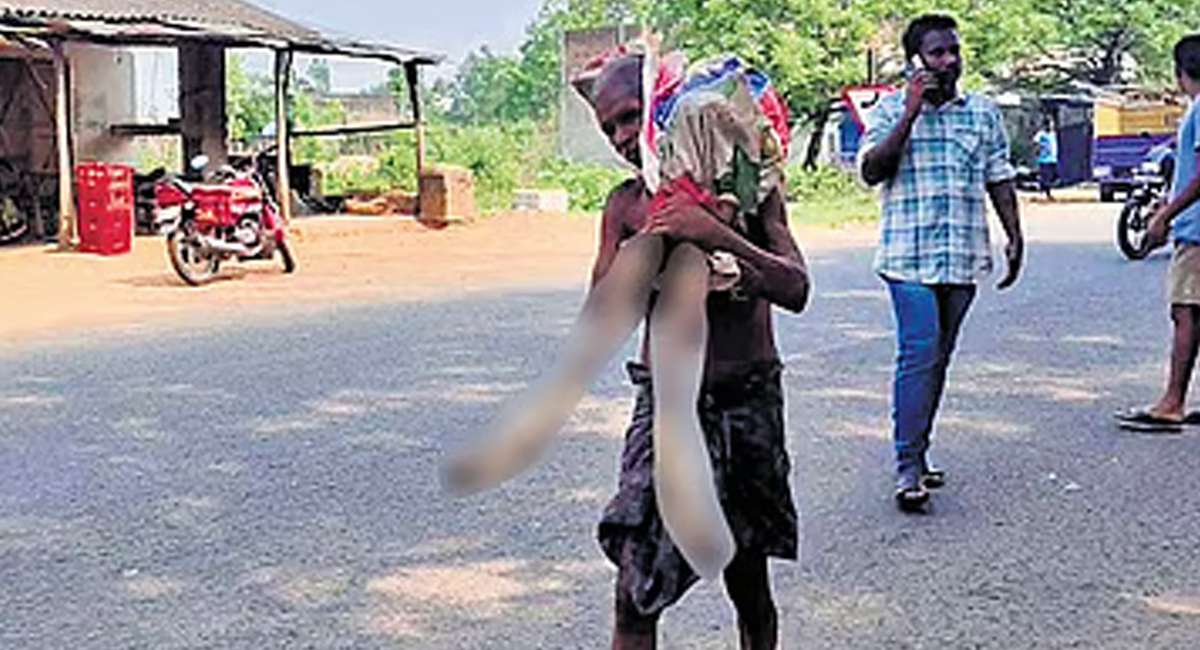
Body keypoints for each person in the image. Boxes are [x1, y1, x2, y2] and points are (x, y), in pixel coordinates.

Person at [449, 46, 810, 649]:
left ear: (667, 110)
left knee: (749, 577)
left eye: (630, 116)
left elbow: (795, 288)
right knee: (635, 590)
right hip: (667, 408)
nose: (620, 134)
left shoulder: (752, 192)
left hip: (748, 402)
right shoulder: (627, 206)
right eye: (609, 124)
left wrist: (716, 233)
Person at [859, 13, 1024, 512]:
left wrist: (1015, 235)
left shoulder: (981, 112)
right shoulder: (890, 110)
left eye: (953, 50)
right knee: (919, 351)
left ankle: (919, 449)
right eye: (936, 52)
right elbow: (870, 170)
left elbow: (999, 175)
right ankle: (907, 464)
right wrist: (910, 112)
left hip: (960, 255)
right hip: (907, 258)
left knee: (939, 359)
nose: (948, 61)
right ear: (916, 60)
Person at [1115, 35, 1200, 433]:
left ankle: (1171, 403)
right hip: (1192, 225)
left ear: (1181, 72)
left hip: (1198, 231)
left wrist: (1165, 215)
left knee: (1185, 312)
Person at [1034, 116, 1058, 200]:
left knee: (1053, 176)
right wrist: (1038, 151)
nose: (1051, 126)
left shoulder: (1053, 134)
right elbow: (1036, 143)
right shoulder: (1041, 134)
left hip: (1053, 158)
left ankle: (1043, 188)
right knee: (1046, 176)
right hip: (1044, 159)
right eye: (1050, 124)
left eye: (1052, 124)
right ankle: (1046, 193)